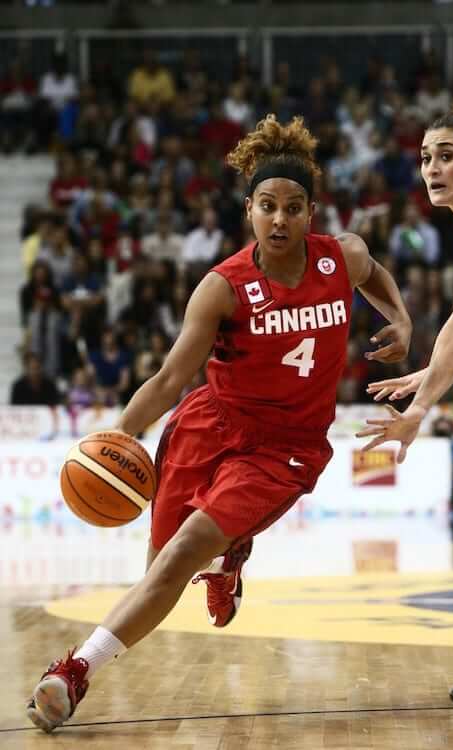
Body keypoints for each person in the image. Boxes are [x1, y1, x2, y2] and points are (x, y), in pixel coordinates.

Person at [26, 114, 412, 733]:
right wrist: (118, 436)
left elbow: (376, 277)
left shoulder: (344, 258)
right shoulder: (223, 287)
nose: (280, 219)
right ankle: (229, 559)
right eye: (267, 207)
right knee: (158, 569)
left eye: (292, 207)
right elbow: (171, 378)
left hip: (283, 448)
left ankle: (74, 671)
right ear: (249, 212)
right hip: (211, 423)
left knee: (182, 553)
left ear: (310, 214)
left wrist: (402, 319)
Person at [356, 97, 453, 707]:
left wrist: (418, 412)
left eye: (447, 155)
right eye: (424, 158)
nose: (432, 168)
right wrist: (428, 376)